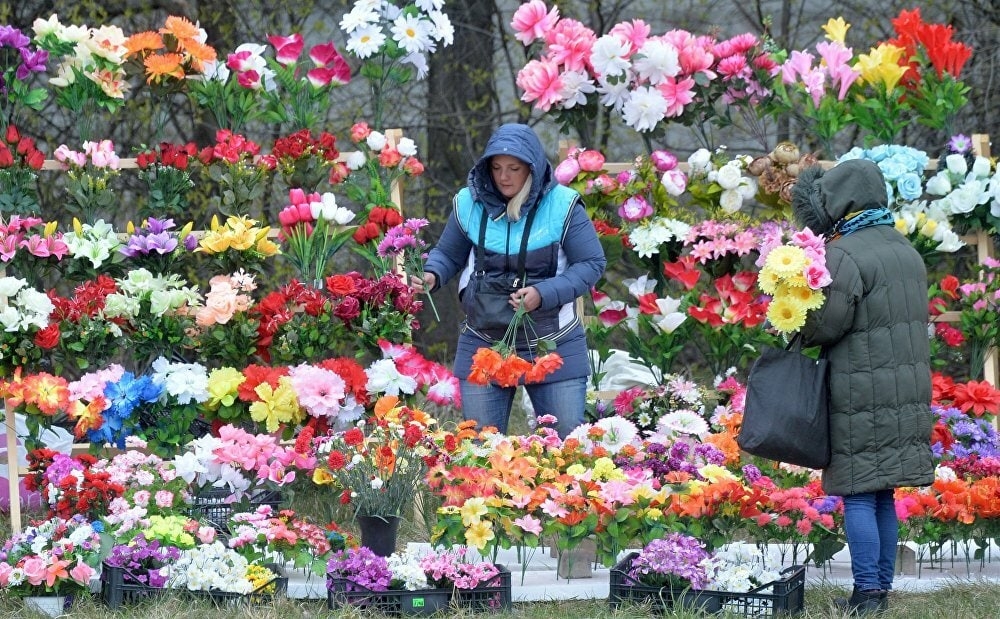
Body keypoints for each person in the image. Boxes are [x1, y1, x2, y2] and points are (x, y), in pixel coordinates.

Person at [791, 159, 934, 615]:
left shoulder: (846, 253)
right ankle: (881, 591)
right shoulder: (905, 249)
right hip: (905, 388)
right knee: (883, 491)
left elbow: (830, 325)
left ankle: (866, 594)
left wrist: (799, 317)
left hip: (859, 389)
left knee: (856, 492)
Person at [414, 123, 606, 438]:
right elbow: (449, 254)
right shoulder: (468, 203)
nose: (504, 177)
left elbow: (591, 264)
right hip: (484, 341)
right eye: (497, 168)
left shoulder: (564, 205)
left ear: (532, 168)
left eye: (514, 168)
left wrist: (543, 293)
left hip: (553, 341)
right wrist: (432, 274)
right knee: (480, 450)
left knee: (566, 452)